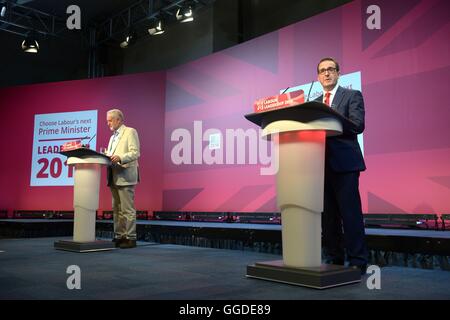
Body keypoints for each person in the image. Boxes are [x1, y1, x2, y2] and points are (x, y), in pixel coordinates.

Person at [315, 57, 368, 274]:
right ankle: (333, 257)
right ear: (318, 77)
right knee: (327, 217)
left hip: (345, 164)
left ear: (338, 73)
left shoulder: (351, 95)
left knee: (350, 214)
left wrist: (330, 120)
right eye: (322, 71)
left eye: (330, 69)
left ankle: (357, 260)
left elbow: (357, 125)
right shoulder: (315, 103)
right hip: (319, 165)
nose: (326, 73)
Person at [106, 109, 140, 249]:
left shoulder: (130, 132)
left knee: (127, 209)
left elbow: (135, 153)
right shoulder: (112, 137)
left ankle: (130, 237)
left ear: (118, 120)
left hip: (125, 175)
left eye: (110, 120)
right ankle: (119, 236)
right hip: (114, 175)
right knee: (116, 209)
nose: (107, 123)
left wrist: (120, 157)